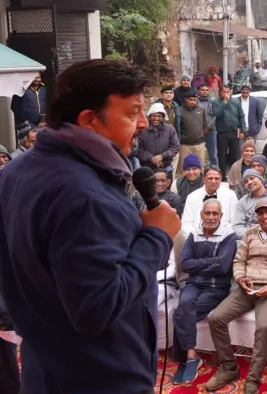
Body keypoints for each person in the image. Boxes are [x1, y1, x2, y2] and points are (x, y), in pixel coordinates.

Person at [0, 59, 180, 393]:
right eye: (131, 112)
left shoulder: (18, 169)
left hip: (46, 364)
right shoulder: (84, 195)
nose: (143, 123)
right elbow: (97, 308)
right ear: (88, 119)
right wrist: (156, 236)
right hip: (101, 376)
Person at [205, 199, 267, 393]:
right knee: (215, 318)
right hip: (246, 289)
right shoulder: (250, 234)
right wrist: (240, 279)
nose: (265, 216)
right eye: (260, 213)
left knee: (263, 326)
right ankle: (229, 367)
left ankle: (253, 379)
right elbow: (239, 260)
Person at [170, 199, 236, 384]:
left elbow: (222, 267)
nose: (211, 217)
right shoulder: (194, 235)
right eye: (207, 213)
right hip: (194, 284)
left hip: (216, 288)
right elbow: (185, 264)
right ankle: (191, 355)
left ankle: (184, 360)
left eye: (215, 214)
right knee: (183, 307)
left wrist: (198, 265)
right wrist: (210, 262)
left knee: (181, 314)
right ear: (201, 215)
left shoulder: (228, 236)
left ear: (221, 216)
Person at [181, 166, 238, 239]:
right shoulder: (192, 197)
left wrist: (219, 235)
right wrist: (199, 236)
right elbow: (185, 224)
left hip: (223, 237)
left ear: (221, 180)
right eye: (210, 178)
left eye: (217, 178)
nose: (213, 181)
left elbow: (234, 222)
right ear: (204, 179)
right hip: (197, 239)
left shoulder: (230, 195)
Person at [232, 168, 267, 238]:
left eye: (252, 178)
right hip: (250, 239)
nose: (249, 182)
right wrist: (254, 236)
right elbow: (237, 226)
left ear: (261, 180)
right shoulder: (242, 202)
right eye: (246, 181)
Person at [212, 85, 246, 176]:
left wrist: (243, 130)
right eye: (224, 92)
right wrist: (225, 102)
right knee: (222, 154)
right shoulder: (216, 102)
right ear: (220, 92)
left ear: (230, 92)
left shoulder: (236, 102)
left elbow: (241, 116)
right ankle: (222, 175)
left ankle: (234, 174)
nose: (226, 94)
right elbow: (217, 114)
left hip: (235, 132)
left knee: (235, 154)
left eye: (228, 92)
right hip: (222, 132)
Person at [136, 103, 180, 173]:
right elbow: (138, 149)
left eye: (159, 116)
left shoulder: (170, 130)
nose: (156, 118)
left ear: (163, 117)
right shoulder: (142, 130)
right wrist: (152, 158)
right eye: (154, 116)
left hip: (166, 167)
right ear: (150, 116)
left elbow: (175, 147)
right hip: (147, 169)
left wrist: (162, 156)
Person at [176, 88, 209, 178]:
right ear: (186, 99)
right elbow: (177, 126)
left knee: (200, 168)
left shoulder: (201, 110)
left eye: (194, 100)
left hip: (199, 144)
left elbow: (205, 125)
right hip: (184, 145)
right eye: (190, 99)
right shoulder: (179, 110)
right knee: (183, 169)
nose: (192, 102)